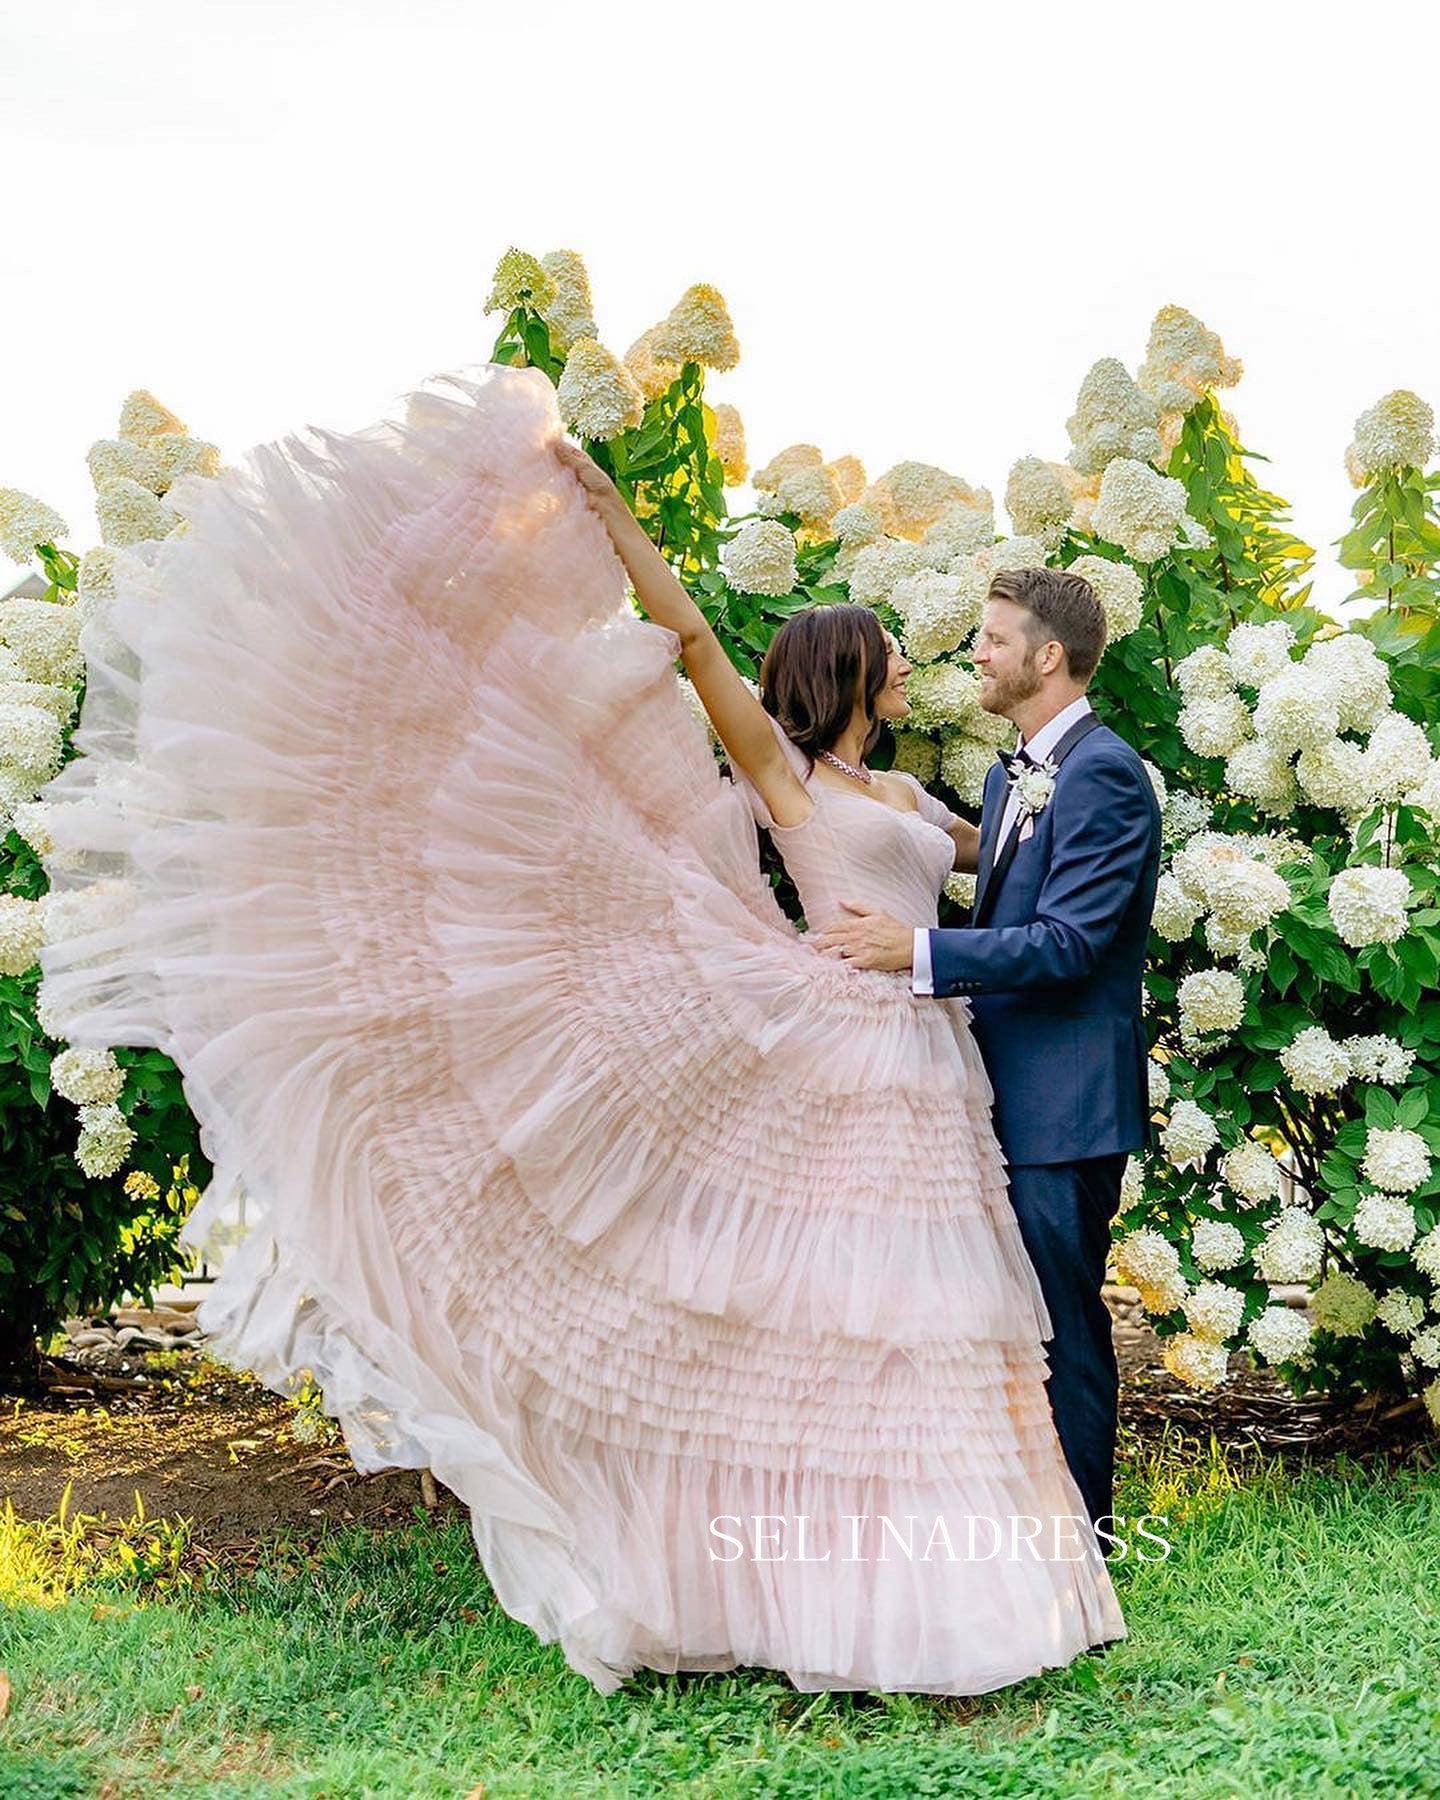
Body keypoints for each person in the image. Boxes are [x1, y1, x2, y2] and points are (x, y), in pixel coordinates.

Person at [37, 363, 1125, 1697]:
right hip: (831, 1039)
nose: (918, 661)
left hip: (922, 1056)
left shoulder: (912, 786)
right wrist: (611, 518)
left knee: (920, 1322)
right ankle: (798, 1594)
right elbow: (694, 642)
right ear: (849, 667)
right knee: (814, 1313)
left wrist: (1097, 807)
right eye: (894, 653)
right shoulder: (781, 773)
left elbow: (1021, 860)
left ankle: (950, 1593)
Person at [814, 567, 1163, 1541]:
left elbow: (1068, 943)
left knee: (1062, 1321)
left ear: (1048, 656)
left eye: (995, 637)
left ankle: (1081, 1544)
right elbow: (1006, 898)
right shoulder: (1014, 773)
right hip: (992, 1090)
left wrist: (914, 951)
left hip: (1066, 1105)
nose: (976, 651)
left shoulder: (1105, 773)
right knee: (1006, 1325)